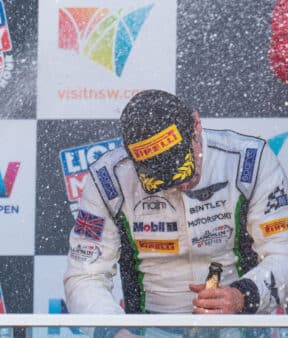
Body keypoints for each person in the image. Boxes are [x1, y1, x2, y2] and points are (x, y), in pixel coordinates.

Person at [64, 90, 288, 337]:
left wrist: (242, 295)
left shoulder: (249, 161)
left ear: (196, 125)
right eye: (161, 179)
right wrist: (113, 331)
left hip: (240, 325)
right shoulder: (109, 180)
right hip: (150, 330)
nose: (180, 184)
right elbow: (84, 276)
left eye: (184, 167)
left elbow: (283, 251)